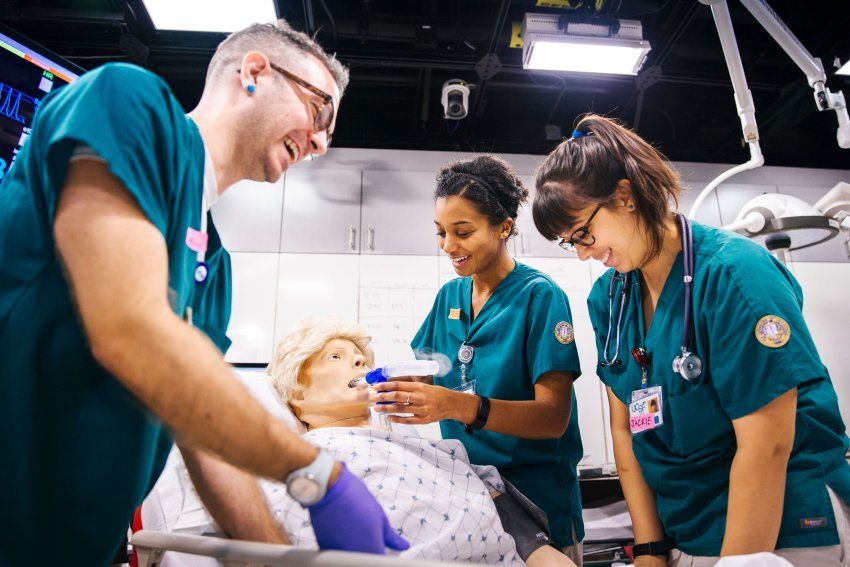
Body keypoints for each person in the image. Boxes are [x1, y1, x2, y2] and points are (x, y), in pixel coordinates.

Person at [0, 20, 406, 565]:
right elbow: (131, 331)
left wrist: (273, 556)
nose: (319, 143)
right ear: (255, 73)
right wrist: (315, 472)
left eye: (328, 132)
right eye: (320, 111)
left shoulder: (212, 266)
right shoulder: (128, 103)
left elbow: (202, 437)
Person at [531, 114, 850, 566]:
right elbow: (626, 429)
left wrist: (739, 561)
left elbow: (768, 444)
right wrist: (650, 548)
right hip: (685, 532)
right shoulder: (611, 298)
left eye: (582, 233)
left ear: (624, 195)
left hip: (784, 528)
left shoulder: (736, 275)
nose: (583, 252)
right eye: (569, 243)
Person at [142, 316, 577, 566]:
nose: (357, 361)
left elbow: (520, 534)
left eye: (361, 358)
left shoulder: (431, 451)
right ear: (294, 390)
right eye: (337, 356)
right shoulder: (289, 463)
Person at [372, 155, 586, 564]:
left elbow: (552, 417)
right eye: (440, 233)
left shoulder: (540, 297)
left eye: (462, 232)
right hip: (473, 499)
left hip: (538, 500)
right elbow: (433, 381)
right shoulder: (449, 298)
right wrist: (400, 392)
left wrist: (459, 406)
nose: (448, 246)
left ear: (504, 227)